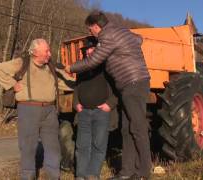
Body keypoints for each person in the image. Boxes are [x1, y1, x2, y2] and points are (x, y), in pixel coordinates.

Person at [65, 11, 151, 180]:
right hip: (132, 84)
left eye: (91, 30)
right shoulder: (122, 31)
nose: (91, 33)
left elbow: (93, 61)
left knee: (138, 128)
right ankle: (127, 172)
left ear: (97, 26)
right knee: (127, 129)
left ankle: (144, 172)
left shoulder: (108, 36)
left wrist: (71, 68)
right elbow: (139, 39)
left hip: (133, 83)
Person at [0, 38, 74, 180]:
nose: (49, 53)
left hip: (50, 111)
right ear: (35, 52)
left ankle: (54, 177)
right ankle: (27, 177)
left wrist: (84, 85)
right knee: (28, 147)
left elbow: (67, 83)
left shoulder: (51, 67)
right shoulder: (21, 63)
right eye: (46, 51)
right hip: (28, 110)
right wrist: (11, 84)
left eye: (49, 50)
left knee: (53, 147)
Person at [73, 36, 118, 180]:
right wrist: (76, 104)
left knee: (99, 144)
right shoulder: (81, 69)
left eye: (91, 49)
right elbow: (76, 88)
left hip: (101, 112)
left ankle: (92, 174)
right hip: (84, 111)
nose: (87, 52)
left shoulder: (107, 67)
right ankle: (81, 175)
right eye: (86, 50)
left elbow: (118, 88)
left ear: (98, 50)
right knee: (82, 145)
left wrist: (109, 104)